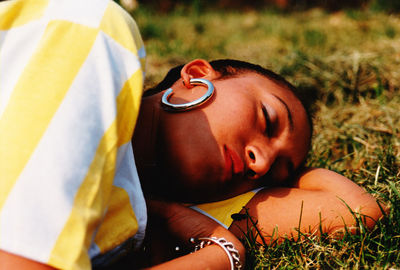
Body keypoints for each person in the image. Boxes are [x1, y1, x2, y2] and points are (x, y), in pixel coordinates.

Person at [0, 1, 383, 270]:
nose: (261, 163)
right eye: (267, 119)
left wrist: (220, 252)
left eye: (274, 174)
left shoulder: (150, 215)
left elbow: (358, 211)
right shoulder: (95, 33)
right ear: (197, 76)